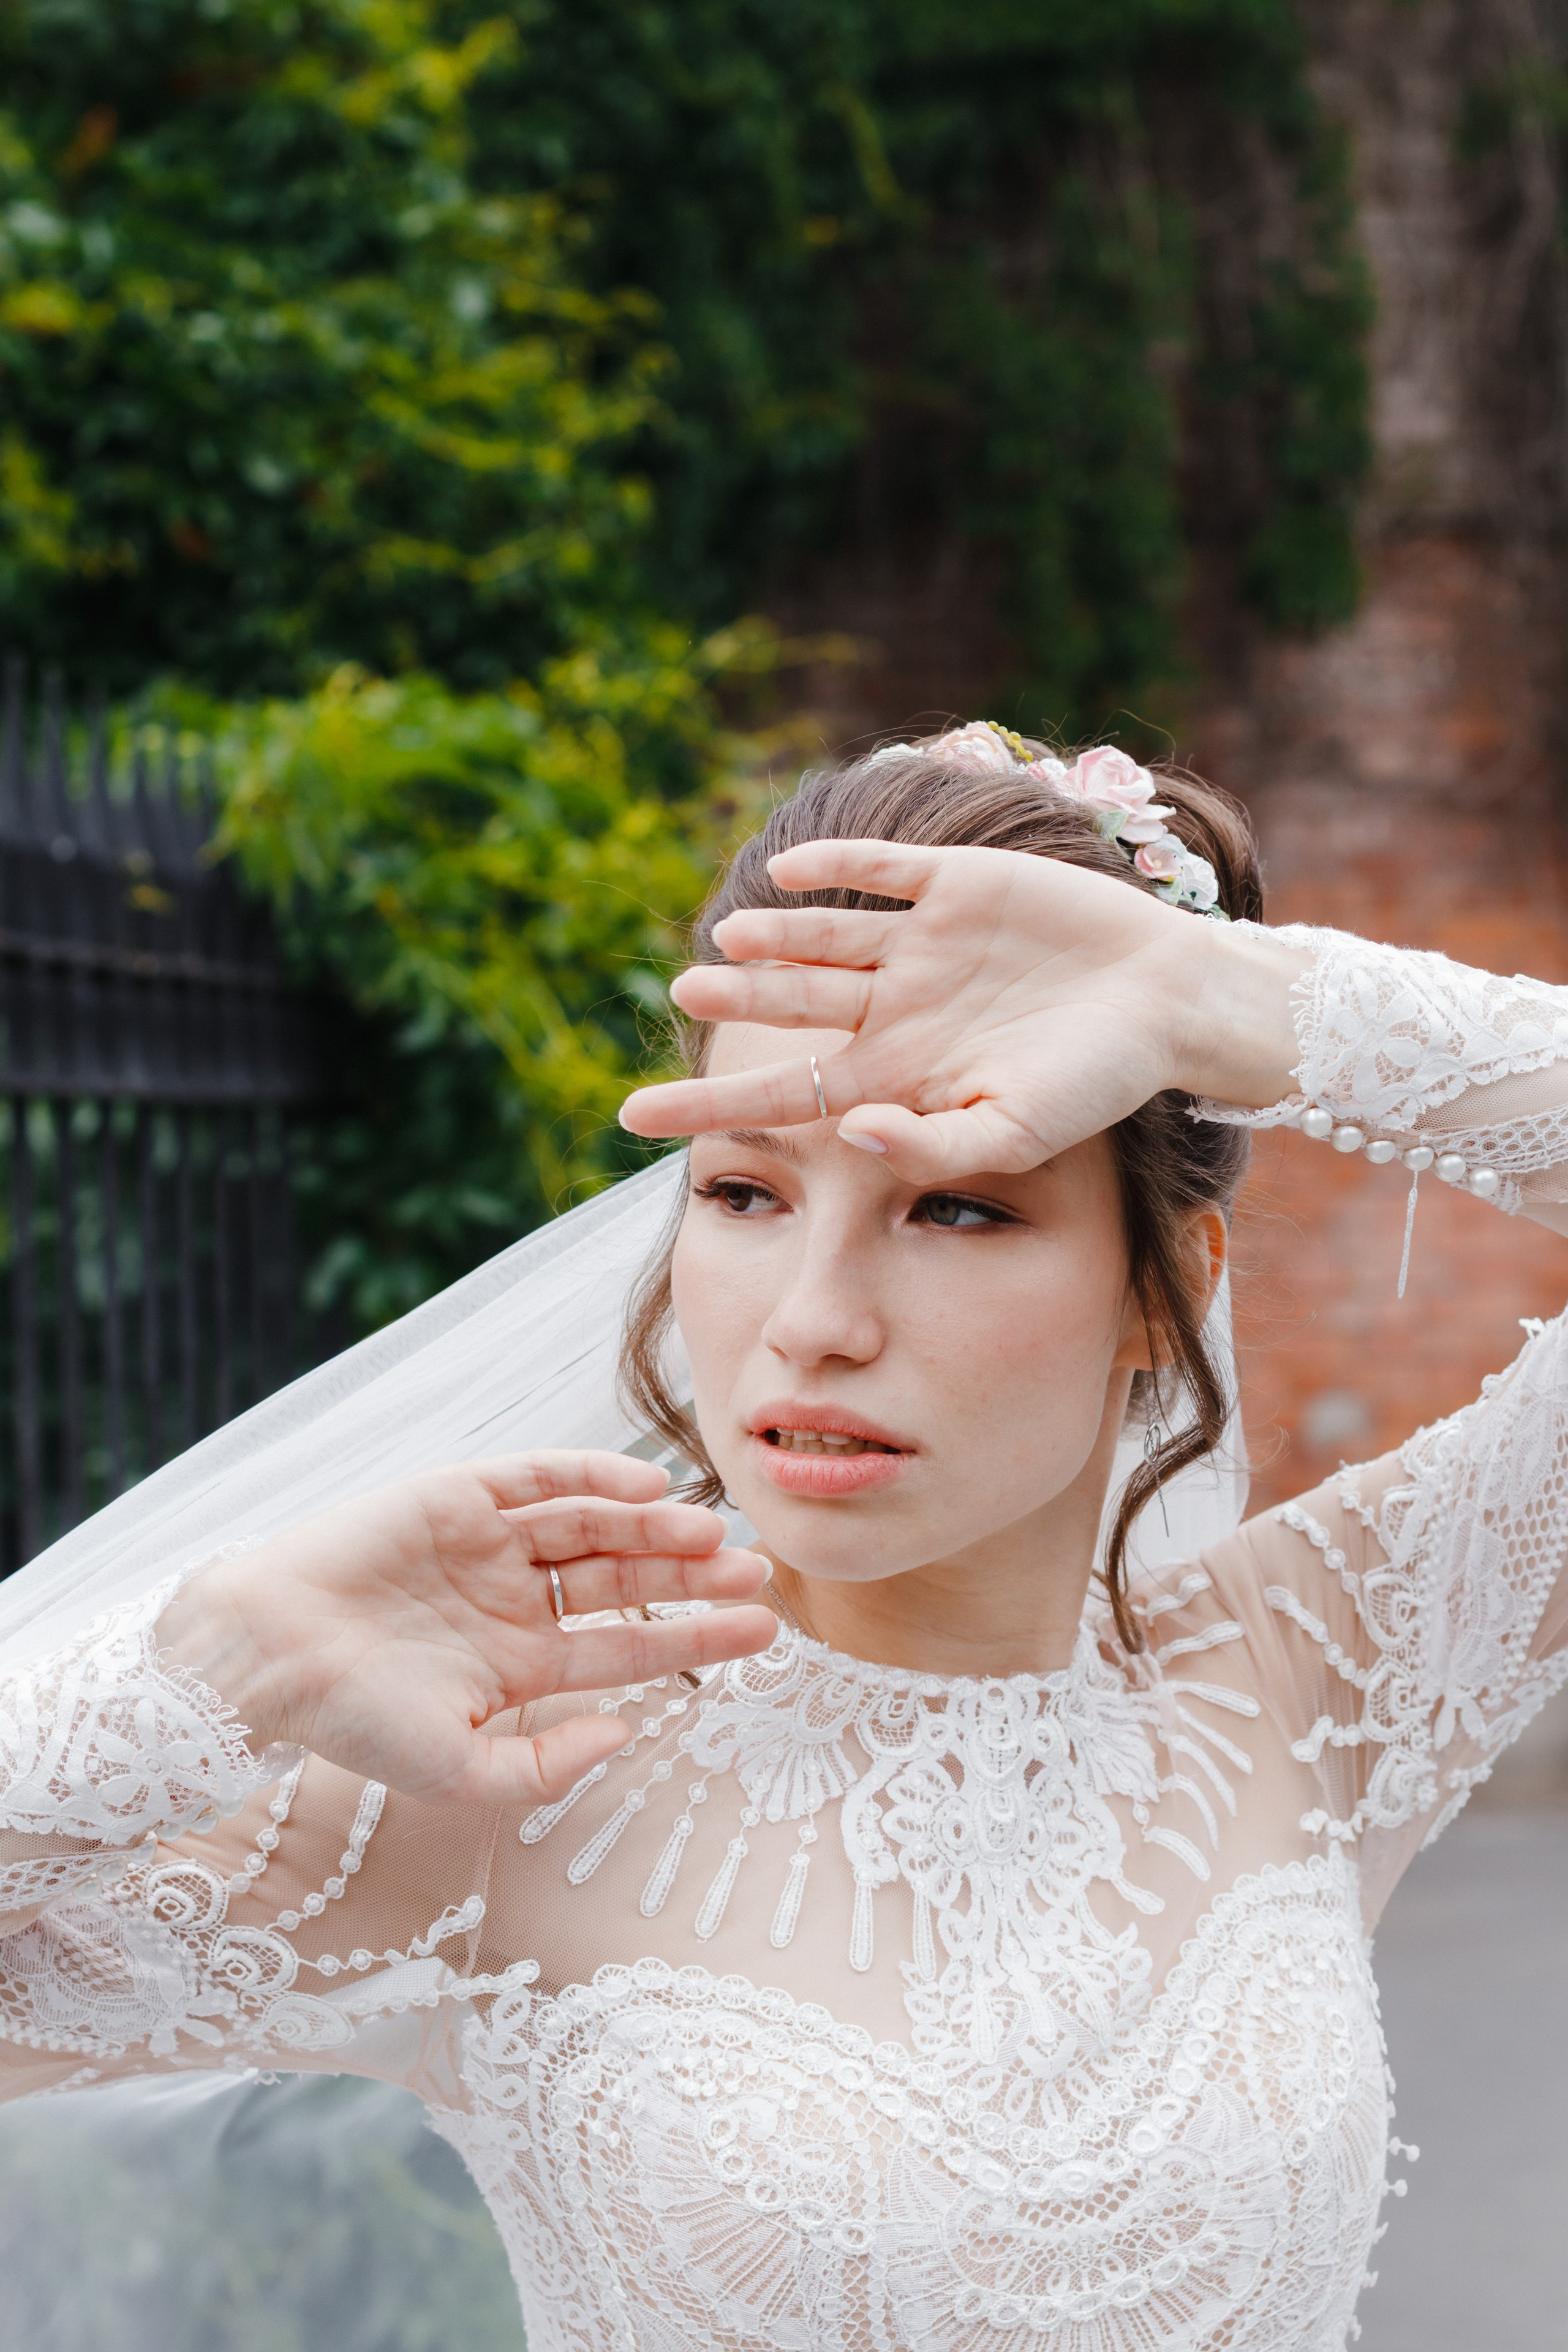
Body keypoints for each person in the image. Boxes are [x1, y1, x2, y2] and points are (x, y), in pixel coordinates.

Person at [3, 717, 1567, 2352]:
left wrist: (1231, 1003)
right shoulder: (518, 1779)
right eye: (744, 1193)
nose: (812, 1323)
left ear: (1163, 1290)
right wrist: (211, 1673)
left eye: (956, 1201)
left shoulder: (1329, 1666)